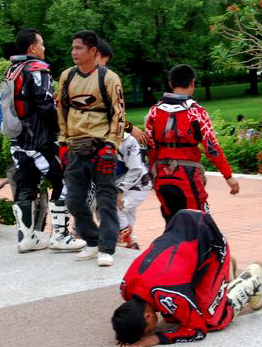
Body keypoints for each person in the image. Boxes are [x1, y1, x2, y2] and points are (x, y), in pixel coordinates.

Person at [111, 210, 262, 347]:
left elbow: (197, 331)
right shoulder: (125, 289)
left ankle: (251, 280)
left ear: (147, 316)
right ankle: (222, 276)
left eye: (148, 330)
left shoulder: (169, 294)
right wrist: (127, 336)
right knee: (174, 315)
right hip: (189, 236)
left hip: (212, 247)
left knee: (211, 320)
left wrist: (159, 338)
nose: (151, 332)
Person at [6, 28, 85, 253]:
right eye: (41, 44)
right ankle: (60, 236)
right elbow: (45, 104)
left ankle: (26, 238)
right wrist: (60, 128)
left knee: (27, 184)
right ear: (32, 47)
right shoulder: (37, 69)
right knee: (64, 181)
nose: (44, 47)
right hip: (41, 141)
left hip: (18, 141)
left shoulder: (12, 70)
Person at [57, 30, 126, 267]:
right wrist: (62, 142)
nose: (74, 52)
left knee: (106, 200)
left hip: (102, 148)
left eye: (79, 48)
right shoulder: (67, 77)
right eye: (73, 48)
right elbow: (61, 110)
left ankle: (106, 248)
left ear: (93, 51)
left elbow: (119, 113)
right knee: (74, 200)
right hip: (75, 147)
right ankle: (92, 240)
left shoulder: (109, 78)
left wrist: (111, 145)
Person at [145, 64, 238, 222]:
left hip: (162, 175)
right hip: (188, 176)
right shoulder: (197, 112)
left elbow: (150, 146)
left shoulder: (154, 111)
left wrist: (153, 173)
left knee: (172, 224)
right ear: (192, 83)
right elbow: (212, 148)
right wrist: (228, 176)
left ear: (170, 83)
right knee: (198, 223)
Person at [115, 131, 152, 249]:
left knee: (114, 207)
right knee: (125, 217)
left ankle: (126, 240)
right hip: (119, 183)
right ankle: (130, 245)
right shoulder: (96, 139)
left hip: (139, 184)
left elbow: (136, 169)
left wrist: (120, 190)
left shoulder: (127, 141)